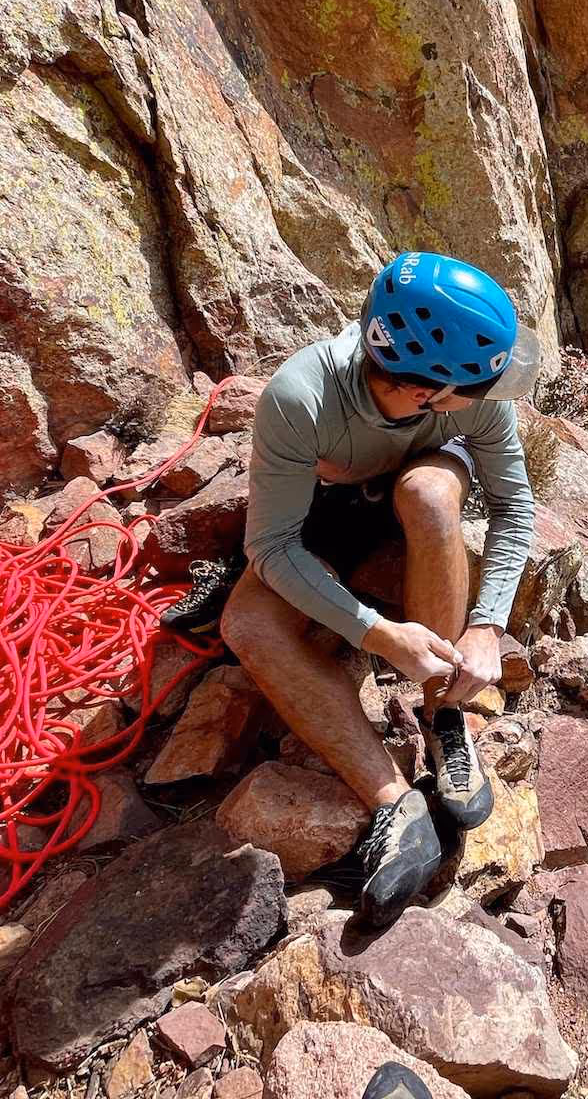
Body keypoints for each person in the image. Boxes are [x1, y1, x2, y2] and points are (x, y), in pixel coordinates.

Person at [217, 252, 539, 926]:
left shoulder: (463, 391)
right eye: (474, 391)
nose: (488, 399)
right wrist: (375, 632)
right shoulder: (301, 398)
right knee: (246, 625)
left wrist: (486, 623)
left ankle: (444, 714)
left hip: (413, 496)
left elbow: (514, 502)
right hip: (328, 511)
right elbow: (271, 548)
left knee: (428, 493)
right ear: (428, 392)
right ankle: (394, 799)